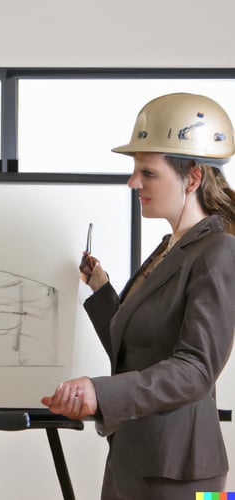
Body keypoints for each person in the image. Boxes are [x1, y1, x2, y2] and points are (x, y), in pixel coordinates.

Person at [42, 93, 235, 499]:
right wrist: (101, 288)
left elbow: (196, 370)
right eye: (135, 171)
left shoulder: (220, 250)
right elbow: (139, 346)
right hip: (133, 455)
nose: (133, 182)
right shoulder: (171, 247)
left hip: (183, 472)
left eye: (147, 173)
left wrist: (100, 392)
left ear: (193, 177)